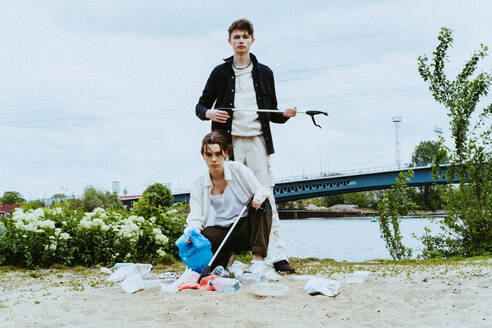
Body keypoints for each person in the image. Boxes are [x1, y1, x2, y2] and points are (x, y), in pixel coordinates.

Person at [195, 18, 296, 273]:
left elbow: (272, 112)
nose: (241, 41)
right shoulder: (219, 72)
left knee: (265, 196)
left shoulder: (265, 73)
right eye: (236, 37)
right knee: (235, 199)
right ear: (230, 41)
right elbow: (200, 107)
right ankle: (226, 251)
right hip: (229, 145)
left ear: (252, 40)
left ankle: (277, 256)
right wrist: (210, 114)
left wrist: (284, 114)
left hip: (258, 142)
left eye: (245, 37)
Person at [185, 131, 273, 269]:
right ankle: (225, 258)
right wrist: (192, 232)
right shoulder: (198, 184)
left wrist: (257, 198)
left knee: (263, 205)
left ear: (225, 153)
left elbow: (262, 190)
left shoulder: (238, 169)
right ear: (203, 155)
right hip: (221, 233)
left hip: (244, 228)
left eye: (218, 154)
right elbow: (195, 218)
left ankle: (258, 261)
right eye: (209, 154)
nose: (214, 159)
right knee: (205, 236)